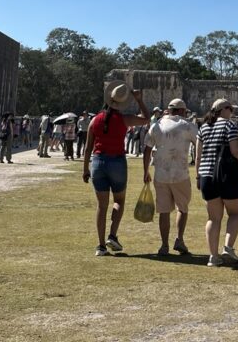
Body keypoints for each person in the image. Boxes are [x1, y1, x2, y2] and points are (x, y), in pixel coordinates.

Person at [83, 83, 150, 256]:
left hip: (98, 162)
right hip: (117, 162)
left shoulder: (94, 120)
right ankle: (112, 234)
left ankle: (100, 246)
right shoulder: (124, 119)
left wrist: (85, 169)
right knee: (119, 200)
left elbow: (88, 148)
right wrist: (139, 100)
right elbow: (146, 118)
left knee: (101, 206)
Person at [195, 98, 238, 266]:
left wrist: (198, 176)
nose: (231, 112)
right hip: (227, 176)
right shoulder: (229, 126)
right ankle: (228, 246)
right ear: (224, 110)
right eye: (230, 109)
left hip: (206, 176)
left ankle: (213, 256)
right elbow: (235, 151)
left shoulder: (203, 128)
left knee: (213, 218)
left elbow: (198, 156)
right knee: (235, 213)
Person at [143, 98, 198, 256]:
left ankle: (164, 245)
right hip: (180, 173)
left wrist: (145, 171)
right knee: (183, 208)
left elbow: (147, 149)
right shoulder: (187, 125)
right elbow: (200, 142)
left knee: (164, 211)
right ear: (182, 110)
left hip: (161, 174)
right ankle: (179, 239)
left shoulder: (157, 125)